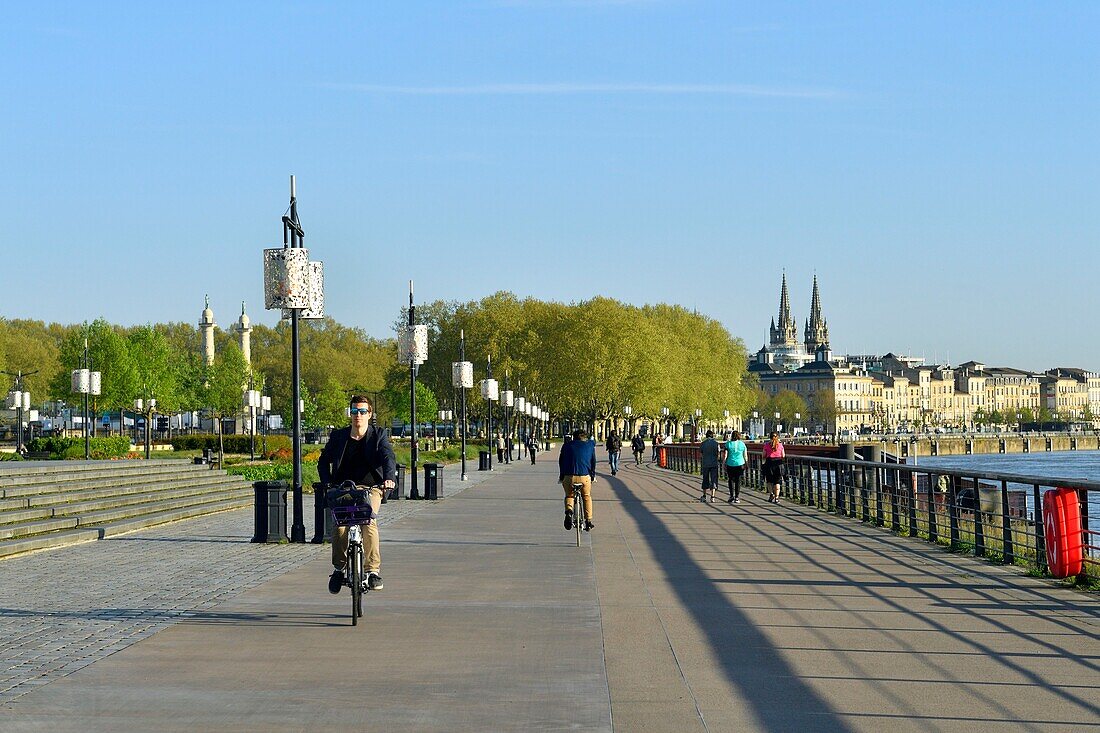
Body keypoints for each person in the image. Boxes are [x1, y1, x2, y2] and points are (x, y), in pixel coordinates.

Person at [318, 395, 396, 594]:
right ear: (350, 414)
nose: (358, 416)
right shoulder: (339, 437)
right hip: (343, 489)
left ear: (369, 414)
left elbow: (388, 457)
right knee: (340, 526)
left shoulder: (378, 435)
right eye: (354, 411)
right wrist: (327, 483)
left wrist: (388, 478)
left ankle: (372, 571)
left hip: (372, 489)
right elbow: (322, 461)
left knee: (368, 521)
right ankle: (338, 568)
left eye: (362, 412)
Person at [559, 428, 597, 531]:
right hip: (584, 476)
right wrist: (592, 476)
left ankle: (569, 511)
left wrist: (561, 476)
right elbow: (593, 462)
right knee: (586, 496)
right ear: (585, 438)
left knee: (569, 495)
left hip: (569, 477)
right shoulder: (590, 445)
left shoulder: (566, 445)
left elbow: (561, 461)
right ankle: (588, 521)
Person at [721, 430, 747, 504]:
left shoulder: (728, 444)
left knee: (731, 480)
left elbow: (725, 455)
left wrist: (723, 463)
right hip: (740, 463)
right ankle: (737, 497)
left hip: (730, 463)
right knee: (738, 480)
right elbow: (745, 455)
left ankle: (731, 495)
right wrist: (746, 463)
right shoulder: (742, 444)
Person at [762, 432, 785, 503]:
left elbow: (763, 455)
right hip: (778, 464)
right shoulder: (780, 445)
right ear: (777, 437)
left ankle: (771, 494)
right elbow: (783, 455)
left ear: (769, 437)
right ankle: (777, 498)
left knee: (769, 481)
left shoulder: (766, 445)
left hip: (769, 464)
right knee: (777, 482)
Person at [699, 429, 720, 503]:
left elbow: (701, 454)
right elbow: (718, 454)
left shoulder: (703, 443)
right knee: (714, 479)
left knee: (705, 479)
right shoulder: (716, 443)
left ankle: (704, 496)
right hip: (714, 463)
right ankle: (712, 496)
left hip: (705, 464)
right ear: (712, 436)